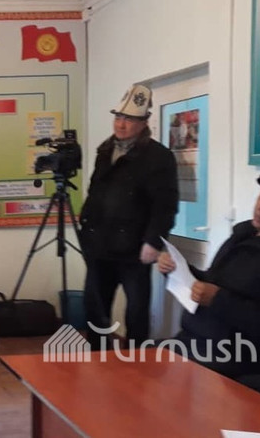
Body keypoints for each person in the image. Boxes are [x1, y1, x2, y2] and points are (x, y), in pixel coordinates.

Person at [79, 84, 179, 348]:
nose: (121, 125)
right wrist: (85, 224)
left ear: (144, 122)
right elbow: (95, 191)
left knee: (136, 312)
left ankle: (136, 363)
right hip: (99, 245)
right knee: (95, 309)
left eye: (129, 119)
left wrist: (153, 241)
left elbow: (165, 205)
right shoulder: (105, 150)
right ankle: (98, 359)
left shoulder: (158, 157)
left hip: (134, 248)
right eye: (118, 117)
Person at [157, 168, 260, 382]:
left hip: (233, 356)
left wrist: (218, 300)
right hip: (192, 340)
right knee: (129, 368)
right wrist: (179, 269)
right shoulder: (242, 235)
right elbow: (212, 282)